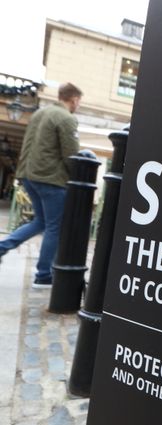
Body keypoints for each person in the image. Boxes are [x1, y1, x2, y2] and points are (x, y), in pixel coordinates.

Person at [0, 83, 82, 288]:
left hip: (28, 175)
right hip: (51, 179)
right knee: (55, 226)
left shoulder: (39, 113)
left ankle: (2, 247)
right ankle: (44, 275)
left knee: (41, 222)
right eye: (79, 102)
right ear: (74, 99)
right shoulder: (66, 118)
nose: (78, 106)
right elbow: (71, 155)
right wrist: (79, 180)